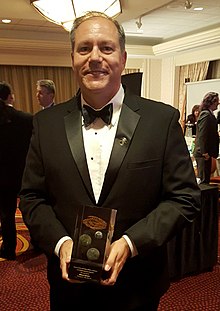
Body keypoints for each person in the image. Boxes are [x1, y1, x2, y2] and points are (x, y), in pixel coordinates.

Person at [19, 11, 200, 311]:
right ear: (73, 58)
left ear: (123, 57)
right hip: (68, 288)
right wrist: (61, 243)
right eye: (84, 48)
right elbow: (31, 198)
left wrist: (130, 244)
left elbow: (184, 199)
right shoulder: (45, 124)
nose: (94, 57)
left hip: (138, 285)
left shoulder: (161, 120)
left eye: (106, 47)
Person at [0, 82, 33, 260]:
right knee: (30, 208)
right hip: (23, 173)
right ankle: (37, 240)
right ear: (9, 96)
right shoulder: (26, 119)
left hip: (2, 177)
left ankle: (8, 249)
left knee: (6, 214)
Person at [193, 92, 220, 184]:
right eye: (217, 101)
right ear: (211, 102)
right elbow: (202, 135)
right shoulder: (206, 114)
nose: (218, 103)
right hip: (203, 154)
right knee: (203, 182)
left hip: (206, 153)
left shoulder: (210, 114)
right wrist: (204, 152)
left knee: (206, 180)